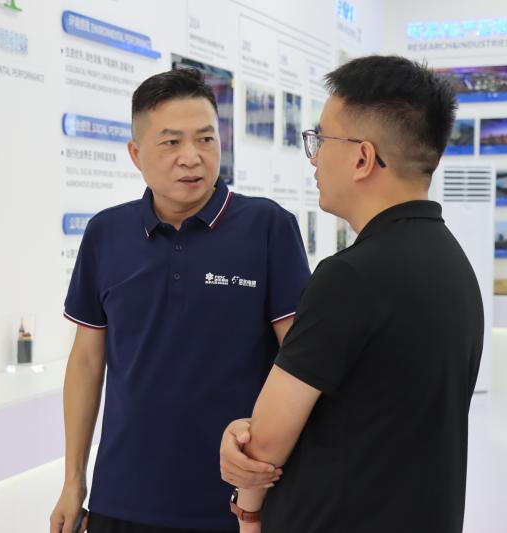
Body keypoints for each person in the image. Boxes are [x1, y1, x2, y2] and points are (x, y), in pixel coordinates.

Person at [220, 55, 484, 533]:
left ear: (362, 158)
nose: (314, 157)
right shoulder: (453, 264)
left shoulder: (351, 277)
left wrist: (249, 510)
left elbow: (266, 444)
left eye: (321, 140)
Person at [50, 67, 311, 533]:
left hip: (235, 501)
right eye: (171, 142)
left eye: (206, 139)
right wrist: (74, 481)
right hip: (122, 498)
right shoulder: (105, 233)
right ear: (136, 154)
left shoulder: (268, 227)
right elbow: (87, 361)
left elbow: (300, 362)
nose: (191, 158)